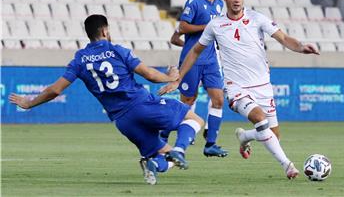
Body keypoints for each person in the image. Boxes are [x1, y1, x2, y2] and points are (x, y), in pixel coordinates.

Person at [9, 14, 204, 185]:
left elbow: (55, 90)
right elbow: (150, 75)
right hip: (142, 105)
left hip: (123, 121)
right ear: (105, 30)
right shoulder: (117, 50)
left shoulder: (80, 59)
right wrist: (170, 77)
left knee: (164, 154)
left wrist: (29, 103)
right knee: (195, 120)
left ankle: (154, 163)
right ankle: (180, 149)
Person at [159, 0, 320, 179]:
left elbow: (284, 38)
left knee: (272, 136)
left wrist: (301, 47)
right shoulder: (215, 25)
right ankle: (288, 165)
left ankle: (245, 136)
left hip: (263, 86)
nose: (237, 0)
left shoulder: (257, 18)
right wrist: (178, 78)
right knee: (260, 121)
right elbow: (194, 51)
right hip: (237, 89)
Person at [161, 0, 228, 157]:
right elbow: (182, 28)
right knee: (187, 102)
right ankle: (166, 132)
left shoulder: (220, 4)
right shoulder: (194, 2)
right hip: (193, 61)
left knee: (219, 99)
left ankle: (211, 144)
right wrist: (202, 31)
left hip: (211, 61)